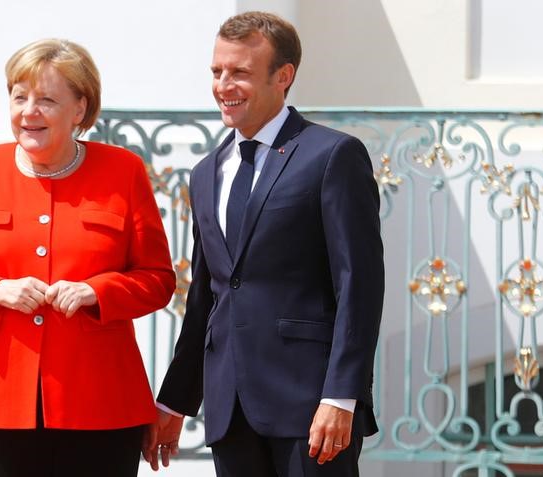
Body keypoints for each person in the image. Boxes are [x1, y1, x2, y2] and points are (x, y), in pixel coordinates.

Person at [0, 38, 175, 477]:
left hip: (100, 403)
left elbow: (158, 279)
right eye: (20, 97)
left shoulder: (123, 171)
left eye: (47, 100)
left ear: (80, 109)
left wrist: (98, 291)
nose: (28, 112)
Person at [148, 11, 384, 477]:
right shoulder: (205, 173)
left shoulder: (332, 155)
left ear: (283, 76)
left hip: (311, 406)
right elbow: (207, 298)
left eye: (239, 73)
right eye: (217, 72)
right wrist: (175, 400)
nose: (223, 85)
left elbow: (359, 284)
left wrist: (341, 395)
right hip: (229, 409)